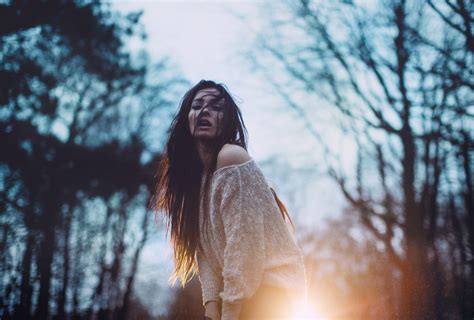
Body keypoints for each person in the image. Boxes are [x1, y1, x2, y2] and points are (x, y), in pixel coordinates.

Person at [151, 80, 307, 319]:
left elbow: (244, 247)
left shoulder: (231, 158)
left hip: (272, 290)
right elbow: (205, 255)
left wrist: (230, 313)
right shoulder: (195, 184)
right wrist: (212, 310)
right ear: (187, 118)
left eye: (216, 106)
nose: (205, 111)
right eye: (197, 105)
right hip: (247, 291)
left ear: (227, 120)